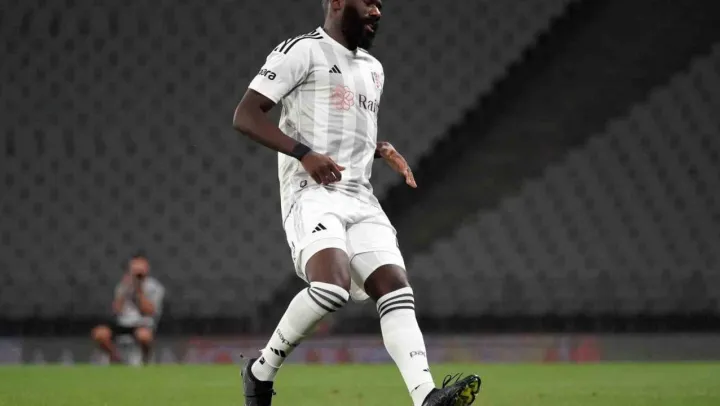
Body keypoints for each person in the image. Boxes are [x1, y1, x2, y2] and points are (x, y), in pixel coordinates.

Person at [232, 0, 482, 405]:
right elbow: (245, 115)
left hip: (361, 198)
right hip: (311, 194)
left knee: (396, 290)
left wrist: (378, 149)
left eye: (380, 4)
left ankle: (426, 397)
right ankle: (260, 371)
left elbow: (343, 129)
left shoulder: (374, 69)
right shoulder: (302, 50)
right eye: (368, 1)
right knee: (331, 289)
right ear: (336, 3)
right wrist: (303, 154)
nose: (377, 11)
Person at [91, 253, 165, 365]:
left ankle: (145, 362)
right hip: (123, 323)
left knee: (144, 336)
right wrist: (124, 290)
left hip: (142, 323)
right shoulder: (123, 285)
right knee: (100, 333)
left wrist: (139, 290)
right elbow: (117, 310)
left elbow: (148, 311)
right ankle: (116, 359)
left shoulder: (154, 287)